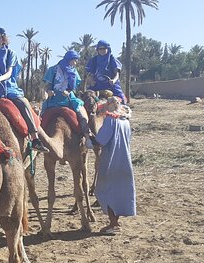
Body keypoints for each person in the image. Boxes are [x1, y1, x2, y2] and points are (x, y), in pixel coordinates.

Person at [0, 26, 48, 153]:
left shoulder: (10, 54)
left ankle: (35, 139)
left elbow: (9, 72)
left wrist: (0, 79)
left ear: (3, 39)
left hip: (9, 87)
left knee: (23, 103)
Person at [93, 96, 136, 235]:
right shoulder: (125, 122)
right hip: (125, 160)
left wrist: (89, 139)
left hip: (110, 161)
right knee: (118, 192)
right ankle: (114, 222)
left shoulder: (110, 121)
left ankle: (113, 223)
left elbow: (101, 141)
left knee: (105, 191)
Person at [42, 50, 94, 149]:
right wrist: (48, 91)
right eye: (74, 60)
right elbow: (46, 86)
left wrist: (68, 92)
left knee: (82, 114)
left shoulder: (74, 72)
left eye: (76, 60)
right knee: (41, 117)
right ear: (68, 59)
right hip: (54, 99)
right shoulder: (53, 70)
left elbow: (73, 87)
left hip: (69, 99)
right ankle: (36, 140)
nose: (75, 63)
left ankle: (87, 137)